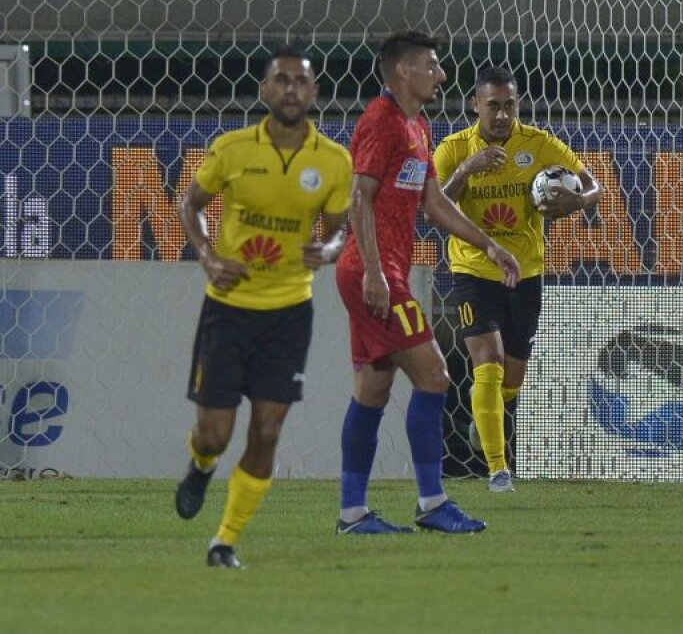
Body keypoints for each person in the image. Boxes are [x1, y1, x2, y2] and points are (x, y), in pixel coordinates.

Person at [334, 31, 521, 535]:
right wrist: (375, 270)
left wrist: (490, 245)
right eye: (432, 66)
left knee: (372, 391)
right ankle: (432, 501)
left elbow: (435, 205)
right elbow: (359, 197)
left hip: (382, 271)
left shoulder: (417, 125)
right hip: (375, 273)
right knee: (436, 376)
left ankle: (353, 513)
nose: (441, 75)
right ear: (404, 71)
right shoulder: (381, 120)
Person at [173, 46, 353, 569]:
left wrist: (329, 249)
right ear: (265, 90)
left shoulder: (333, 161)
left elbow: (340, 228)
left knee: (268, 429)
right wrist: (207, 257)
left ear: (314, 93)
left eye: (301, 81)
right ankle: (201, 467)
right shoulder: (231, 150)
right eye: (282, 79)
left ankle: (224, 541)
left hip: (289, 312)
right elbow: (189, 205)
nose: (292, 88)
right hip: (228, 309)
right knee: (215, 433)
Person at [433, 65, 602, 492]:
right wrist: (467, 169)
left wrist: (577, 202)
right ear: (475, 105)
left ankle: (484, 413)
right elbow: (434, 205)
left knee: (511, 379)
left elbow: (592, 185)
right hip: (472, 269)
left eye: (510, 105)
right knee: (486, 365)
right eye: (494, 106)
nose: (503, 115)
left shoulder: (538, 145)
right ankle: (497, 469)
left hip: (525, 272)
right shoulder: (453, 149)